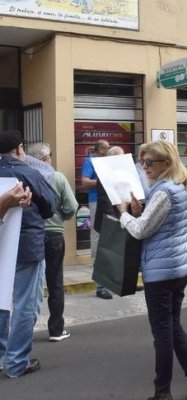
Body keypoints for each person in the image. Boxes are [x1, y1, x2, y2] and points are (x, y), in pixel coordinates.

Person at [116, 141, 187, 400]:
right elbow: (159, 224)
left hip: (161, 272)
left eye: (149, 163)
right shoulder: (177, 188)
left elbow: (142, 230)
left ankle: (162, 391)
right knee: (173, 327)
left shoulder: (164, 192)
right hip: (178, 267)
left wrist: (124, 214)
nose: (145, 168)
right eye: (142, 163)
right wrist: (140, 211)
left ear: (166, 163)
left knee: (163, 334)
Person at [0, 130, 56, 378]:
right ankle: (16, 361)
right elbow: (50, 205)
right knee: (25, 304)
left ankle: (3, 357)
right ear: (20, 149)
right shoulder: (27, 172)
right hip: (27, 245)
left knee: (1, 302)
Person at [28, 142, 79, 342]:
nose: (51, 158)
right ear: (44, 158)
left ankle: (24, 330)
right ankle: (56, 329)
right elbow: (72, 206)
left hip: (30, 234)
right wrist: (61, 218)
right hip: (54, 234)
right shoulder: (57, 177)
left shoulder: (24, 176)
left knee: (30, 283)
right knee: (55, 281)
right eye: (50, 155)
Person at [81, 139, 113, 299]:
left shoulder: (107, 162)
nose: (108, 150)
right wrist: (101, 182)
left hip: (111, 200)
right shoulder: (89, 161)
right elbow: (85, 181)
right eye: (107, 148)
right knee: (98, 235)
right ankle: (100, 280)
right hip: (96, 201)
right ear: (101, 149)